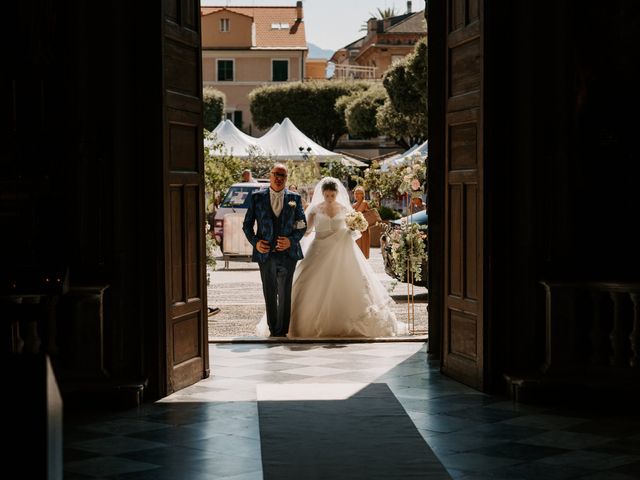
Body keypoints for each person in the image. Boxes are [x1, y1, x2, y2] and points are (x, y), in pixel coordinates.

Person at [256, 177, 403, 338]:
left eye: (332, 196)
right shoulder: (315, 209)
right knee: (309, 283)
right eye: (327, 196)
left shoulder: (344, 209)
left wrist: (356, 226)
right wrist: (292, 226)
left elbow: (352, 228)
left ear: (336, 194)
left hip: (342, 248)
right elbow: (306, 230)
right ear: (322, 194)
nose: (329, 199)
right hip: (320, 248)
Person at [242, 163, 307, 337]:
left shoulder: (295, 198)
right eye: (276, 174)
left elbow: (302, 225)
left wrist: (291, 241)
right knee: (269, 292)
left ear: (286, 179)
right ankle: (273, 330)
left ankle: (282, 330)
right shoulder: (257, 197)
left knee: (285, 292)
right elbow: (247, 225)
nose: (279, 178)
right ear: (270, 175)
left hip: (288, 254)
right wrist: (255, 243)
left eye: (283, 176)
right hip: (266, 254)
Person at [352, 185, 371, 259]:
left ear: (363, 195)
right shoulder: (353, 205)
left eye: (358, 193)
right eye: (355, 193)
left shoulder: (364, 203)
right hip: (356, 229)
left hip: (363, 230)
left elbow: (357, 213)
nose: (356, 195)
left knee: (362, 249)